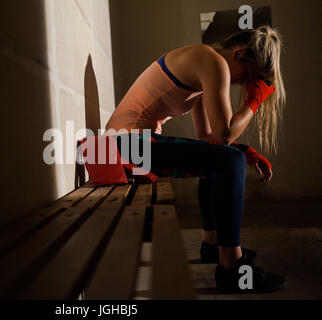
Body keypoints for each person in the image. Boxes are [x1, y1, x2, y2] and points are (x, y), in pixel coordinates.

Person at [104, 25, 287, 293]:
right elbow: (223, 138)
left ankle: (213, 245)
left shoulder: (205, 64)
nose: (244, 83)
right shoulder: (211, 61)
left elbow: (210, 139)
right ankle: (231, 268)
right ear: (239, 52)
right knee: (230, 161)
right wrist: (254, 101)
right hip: (125, 145)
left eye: (250, 83)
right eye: (248, 75)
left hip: (130, 144)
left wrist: (243, 149)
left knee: (225, 159)